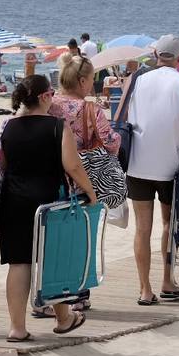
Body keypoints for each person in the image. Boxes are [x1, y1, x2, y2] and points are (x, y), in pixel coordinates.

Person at [0, 75, 98, 341]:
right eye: (51, 93)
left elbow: (1, 165)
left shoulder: (8, 126)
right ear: (42, 96)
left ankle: (17, 328)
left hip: (13, 201)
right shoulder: (57, 127)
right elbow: (72, 165)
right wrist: (90, 191)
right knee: (53, 261)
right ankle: (63, 319)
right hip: (48, 202)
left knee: (19, 263)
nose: (53, 98)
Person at [40, 54, 121, 316]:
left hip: (50, 177)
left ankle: (47, 295)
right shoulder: (90, 109)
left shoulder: (49, 104)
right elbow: (111, 142)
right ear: (83, 80)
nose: (93, 84)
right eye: (92, 79)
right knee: (81, 238)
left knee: (51, 240)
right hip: (81, 180)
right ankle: (77, 297)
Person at [125, 35, 179, 306]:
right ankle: (167, 280)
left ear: (156, 54)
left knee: (141, 229)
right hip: (170, 166)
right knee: (169, 224)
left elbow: (122, 116)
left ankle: (144, 289)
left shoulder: (137, 79)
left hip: (137, 163)